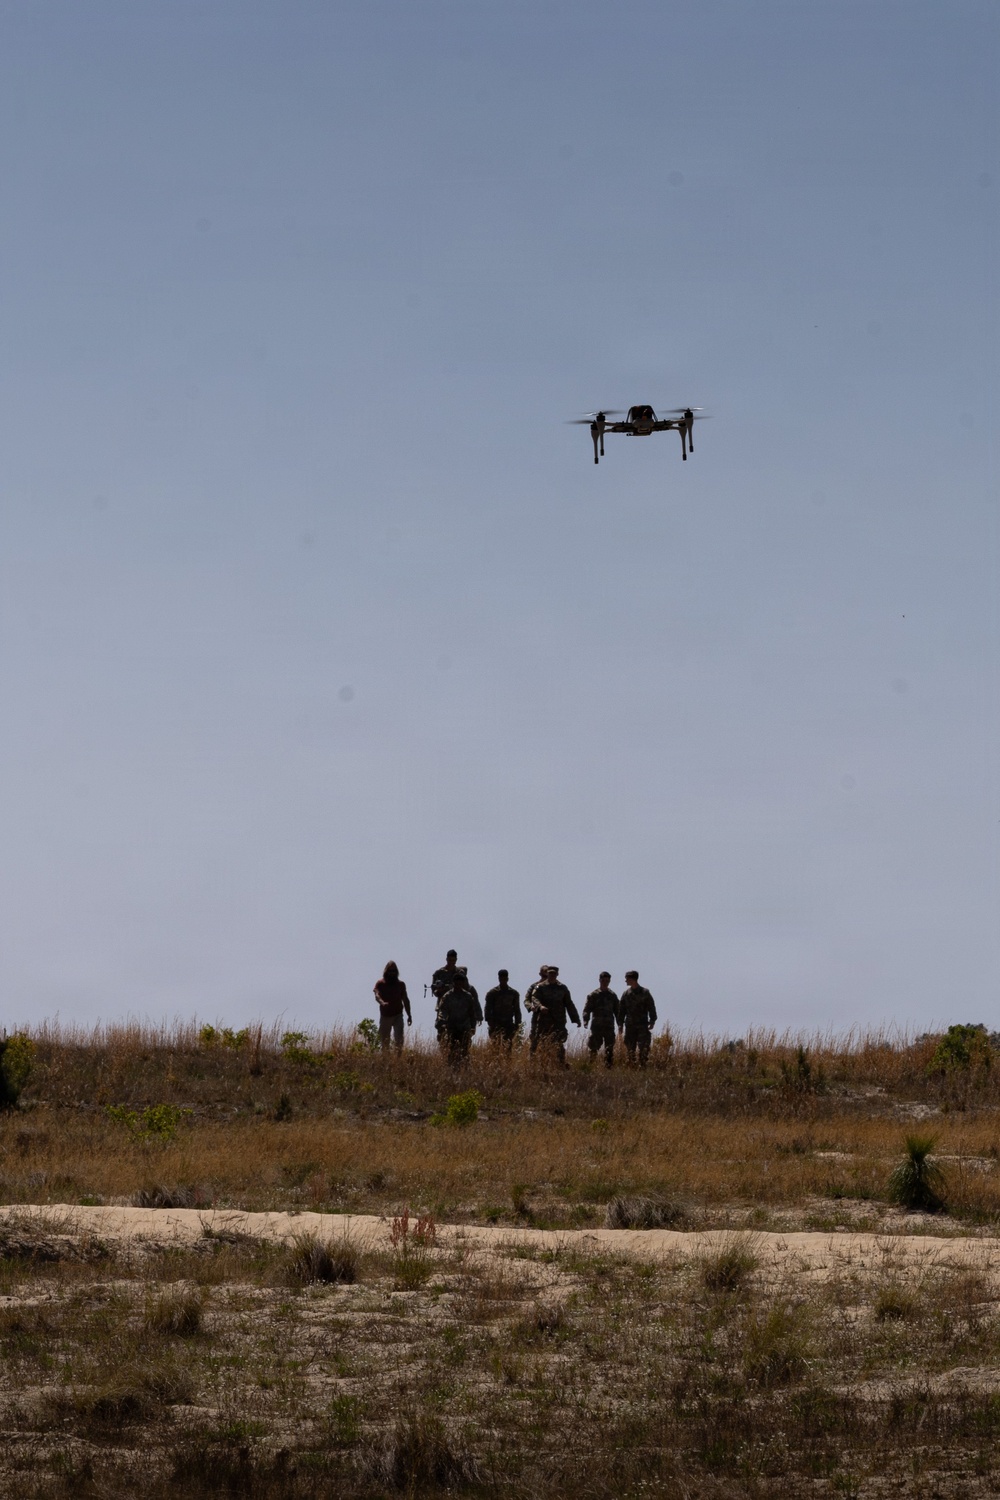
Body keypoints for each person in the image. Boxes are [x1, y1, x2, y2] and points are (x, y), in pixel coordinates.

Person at [527, 966, 580, 1065]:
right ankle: (541, 1065)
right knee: (542, 1043)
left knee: (559, 1043)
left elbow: (569, 1004)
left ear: (557, 974)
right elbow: (534, 998)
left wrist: (575, 1019)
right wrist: (540, 1006)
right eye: (550, 973)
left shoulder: (562, 988)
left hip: (558, 1021)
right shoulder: (540, 987)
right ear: (547, 974)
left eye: (554, 973)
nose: (552, 975)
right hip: (544, 1021)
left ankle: (560, 1065)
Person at [436, 969, 482, 1064]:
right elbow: (443, 1010)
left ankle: (465, 1070)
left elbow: (471, 1013)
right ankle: (452, 1070)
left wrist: (473, 1027)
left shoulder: (468, 996)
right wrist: (442, 1020)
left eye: (460, 982)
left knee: (465, 1051)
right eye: (456, 982)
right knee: (452, 1050)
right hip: (452, 1027)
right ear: (454, 983)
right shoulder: (448, 996)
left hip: (465, 1027)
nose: (458, 984)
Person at [618, 970, 657, 1066]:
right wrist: (620, 1024)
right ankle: (632, 1068)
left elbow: (651, 1007)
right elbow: (621, 1010)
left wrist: (652, 1021)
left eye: (627, 979)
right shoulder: (626, 994)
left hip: (642, 1025)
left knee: (644, 1048)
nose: (625, 981)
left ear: (632, 979)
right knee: (630, 1049)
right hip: (630, 1026)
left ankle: (643, 1067)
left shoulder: (645, 993)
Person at [582, 972, 620, 1068]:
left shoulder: (612, 996)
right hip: (596, 1026)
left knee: (609, 1048)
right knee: (593, 1047)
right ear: (599, 980)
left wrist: (620, 1024)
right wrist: (585, 1020)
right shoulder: (593, 995)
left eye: (607, 981)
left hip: (609, 1025)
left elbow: (617, 1011)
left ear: (609, 981)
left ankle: (608, 1068)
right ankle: (591, 1067)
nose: (605, 982)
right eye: (603, 980)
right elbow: (587, 1009)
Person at [373, 961, 412, 1051]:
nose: (392, 973)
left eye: (394, 971)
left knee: (399, 1040)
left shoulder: (401, 985)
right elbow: (377, 995)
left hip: (398, 1015)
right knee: (385, 1042)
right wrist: (382, 1003)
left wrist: (409, 1015)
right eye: (390, 971)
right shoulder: (380, 983)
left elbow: (405, 1000)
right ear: (386, 971)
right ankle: (386, 1061)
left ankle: (397, 1061)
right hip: (385, 1016)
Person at [484, 970, 521, 1048]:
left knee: (508, 1047)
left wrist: (517, 1023)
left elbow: (517, 1009)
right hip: (496, 1023)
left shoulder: (513, 993)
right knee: (495, 1047)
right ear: (499, 979)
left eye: (505, 978)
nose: (503, 980)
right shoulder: (492, 993)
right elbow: (487, 1008)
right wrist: (489, 1020)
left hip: (508, 1023)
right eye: (501, 978)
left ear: (507, 979)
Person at [523, 965, 550, 1049]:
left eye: (547, 976)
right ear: (540, 974)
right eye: (544, 976)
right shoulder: (534, 986)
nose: (545, 978)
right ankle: (533, 1060)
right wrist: (530, 1007)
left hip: (551, 1017)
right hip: (537, 1017)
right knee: (535, 1039)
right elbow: (526, 1000)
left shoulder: (554, 986)